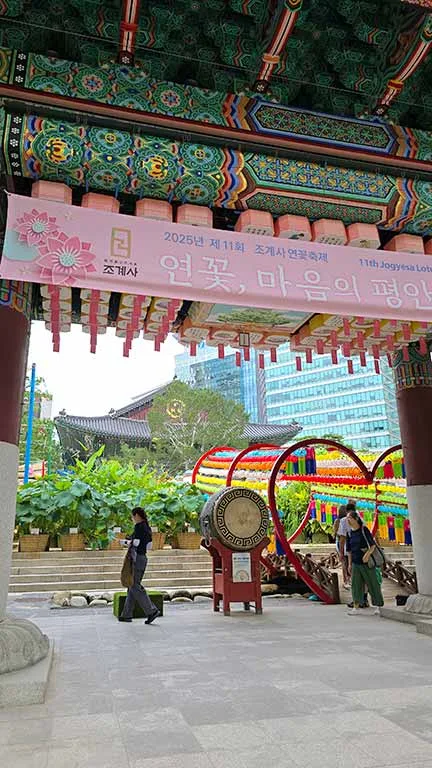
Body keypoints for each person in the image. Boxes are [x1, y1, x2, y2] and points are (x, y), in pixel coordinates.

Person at [119, 507, 160, 624]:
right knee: (132, 585)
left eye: (133, 516)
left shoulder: (139, 527)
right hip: (143, 558)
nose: (132, 519)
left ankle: (151, 611)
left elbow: (135, 542)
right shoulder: (147, 527)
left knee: (134, 585)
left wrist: (125, 542)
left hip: (136, 559)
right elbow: (148, 545)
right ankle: (126, 614)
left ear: (136, 515)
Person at [345, 510, 384, 616]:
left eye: (350, 518)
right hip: (355, 562)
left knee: (373, 583)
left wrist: (367, 555)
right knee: (355, 585)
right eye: (347, 518)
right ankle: (356, 606)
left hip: (366, 562)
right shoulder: (349, 533)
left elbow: (372, 545)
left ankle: (378, 605)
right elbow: (349, 550)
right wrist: (349, 564)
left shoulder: (363, 530)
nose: (348, 520)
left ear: (356, 519)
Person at [334, 504, 350, 589]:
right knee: (346, 561)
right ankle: (346, 579)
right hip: (343, 542)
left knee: (344, 562)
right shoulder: (344, 521)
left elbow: (335, 533)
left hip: (340, 542)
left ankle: (346, 580)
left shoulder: (337, 521)